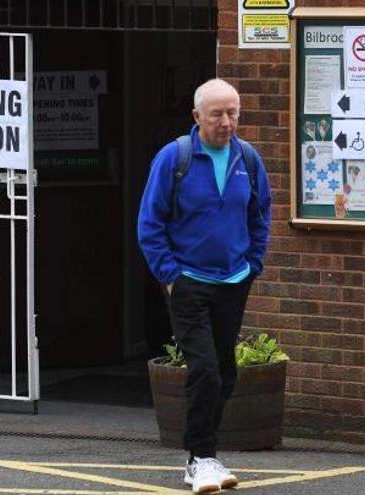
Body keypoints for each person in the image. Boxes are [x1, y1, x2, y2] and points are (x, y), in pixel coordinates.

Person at [137, 78, 271, 494]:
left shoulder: (248, 159)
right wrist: (171, 277)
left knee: (225, 370)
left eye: (233, 112)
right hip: (189, 281)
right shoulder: (173, 158)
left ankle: (204, 456)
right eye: (217, 114)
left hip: (234, 279)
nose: (227, 122)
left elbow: (260, 215)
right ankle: (200, 458)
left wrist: (253, 265)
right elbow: (150, 222)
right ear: (197, 117)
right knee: (205, 369)